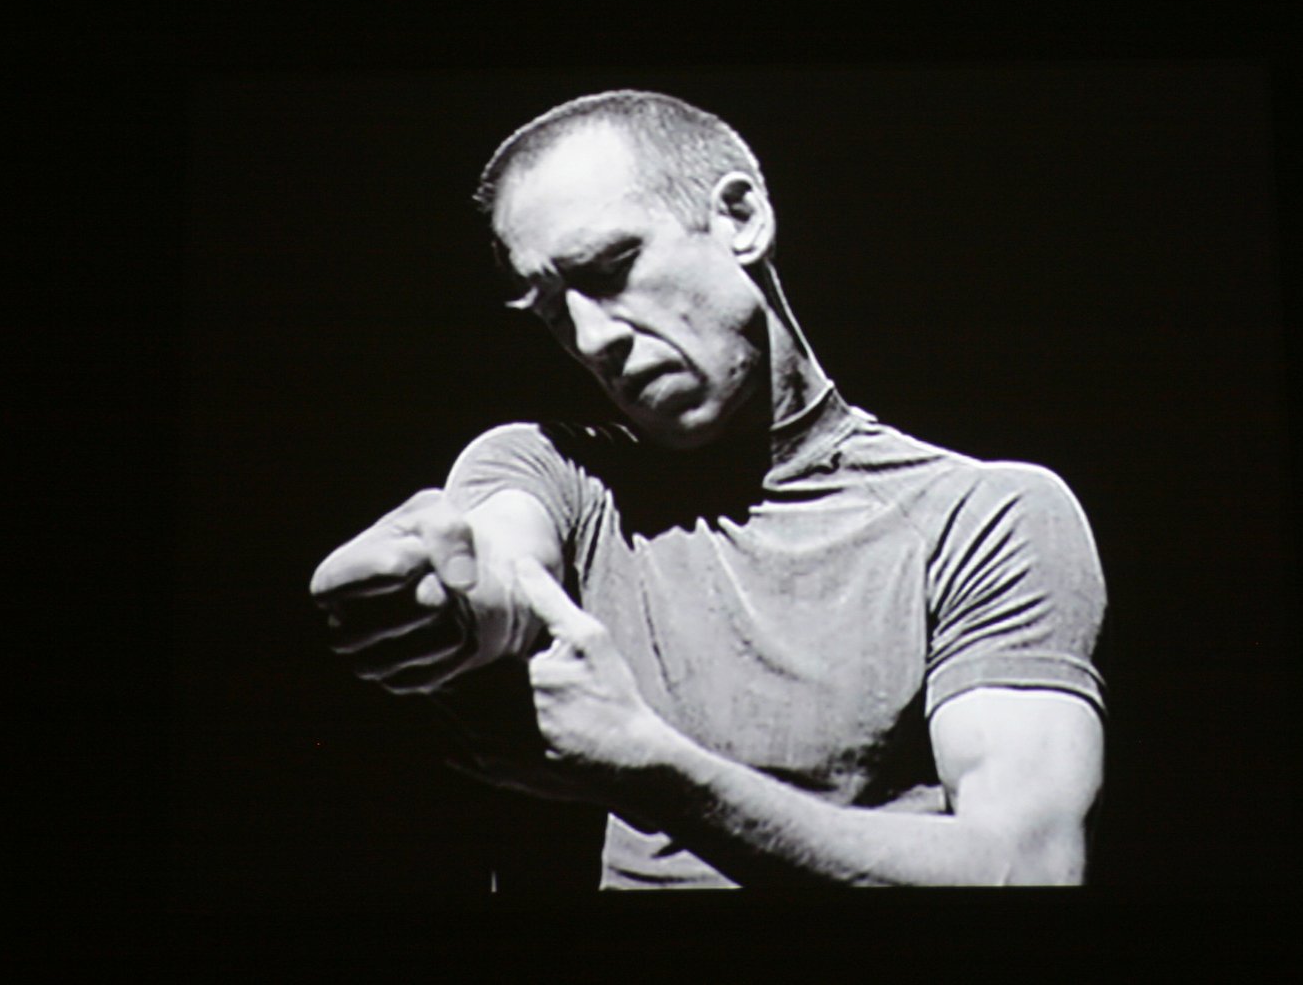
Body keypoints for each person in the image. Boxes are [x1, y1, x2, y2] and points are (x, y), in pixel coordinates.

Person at [309, 90, 1106, 888]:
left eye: (610, 270)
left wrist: (652, 769)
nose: (592, 339)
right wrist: (427, 600)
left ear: (739, 218)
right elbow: (500, 577)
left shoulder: (984, 514)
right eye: (551, 311)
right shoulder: (551, 467)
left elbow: (1028, 869)